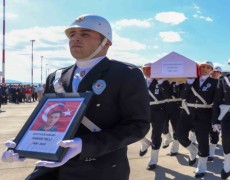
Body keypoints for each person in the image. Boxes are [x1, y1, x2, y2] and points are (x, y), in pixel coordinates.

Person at [2, 14, 150, 180]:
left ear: (106, 42)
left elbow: (138, 126)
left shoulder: (125, 74)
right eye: (72, 35)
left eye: (85, 34)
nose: (75, 39)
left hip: (99, 169)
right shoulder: (56, 76)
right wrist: (24, 143)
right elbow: (49, 119)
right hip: (53, 166)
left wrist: (84, 145)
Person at [177, 61, 218, 178]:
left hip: (204, 114)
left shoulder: (215, 83)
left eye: (207, 67)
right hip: (187, 112)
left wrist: (216, 120)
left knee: (203, 141)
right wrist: (188, 84)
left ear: (211, 70)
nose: (204, 69)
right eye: (202, 67)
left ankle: (202, 166)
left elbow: (217, 102)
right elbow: (182, 97)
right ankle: (193, 150)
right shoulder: (190, 80)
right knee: (179, 135)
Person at [208, 66, 223, 161]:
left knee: (215, 131)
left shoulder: (222, 83)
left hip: (216, 110)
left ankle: (211, 153)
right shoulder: (205, 82)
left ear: (220, 73)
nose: (215, 73)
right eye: (214, 71)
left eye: (218, 72)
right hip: (205, 110)